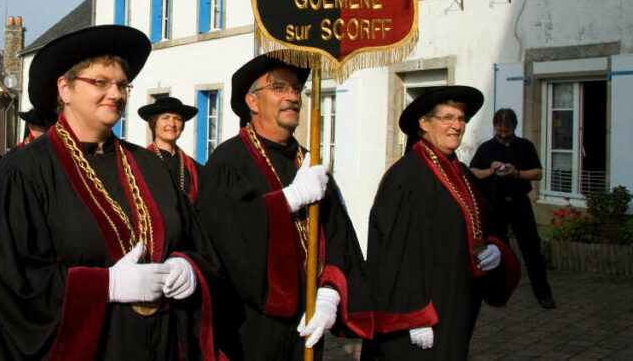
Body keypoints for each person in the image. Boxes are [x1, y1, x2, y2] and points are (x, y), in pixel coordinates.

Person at [0, 24, 225, 360]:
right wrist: (104, 286)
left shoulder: (149, 166)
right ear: (65, 88)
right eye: (100, 82)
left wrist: (188, 268)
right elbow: (7, 284)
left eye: (122, 85)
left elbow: (198, 243)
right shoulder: (23, 172)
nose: (116, 94)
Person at [195, 53, 373, 360]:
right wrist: (286, 201)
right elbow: (228, 242)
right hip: (251, 324)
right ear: (252, 101)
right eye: (279, 88)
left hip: (308, 318)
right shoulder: (228, 162)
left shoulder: (309, 163)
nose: (292, 97)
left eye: (295, 89)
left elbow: (338, 234)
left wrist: (331, 292)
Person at [362, 86, 520, 360]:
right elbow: (394, 253)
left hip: (455, 299)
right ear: (423, 122)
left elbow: (488, 222)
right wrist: (414, 313)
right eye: (447, 118)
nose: (456, 126)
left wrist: (494, 247)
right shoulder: (406, 177)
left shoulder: (462, 173)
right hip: (419, 311)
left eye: (461, 119)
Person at [470, 107, 556, 309]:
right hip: (495, 204)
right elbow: (473, 172)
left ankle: (544, 294)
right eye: (499, 130)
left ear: (514, 127)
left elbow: (537, 173)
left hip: (519, 203)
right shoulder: (486, 148)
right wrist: (490, 170)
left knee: (532, 249)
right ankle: (497, 291)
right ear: (494, 127)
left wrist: (517, 174)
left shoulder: (525, 146)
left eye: (506, 131)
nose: (503, 134)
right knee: (497, 248)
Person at [138, 96, 204, 201]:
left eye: (178, 119)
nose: (172, 124)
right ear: (153, 123)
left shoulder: (195, 168)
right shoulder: (139, 163)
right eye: (165, 117)